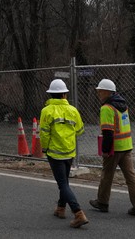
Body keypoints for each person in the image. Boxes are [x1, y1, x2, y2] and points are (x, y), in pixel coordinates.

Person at [89, 79, 135, 218]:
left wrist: (105, 150)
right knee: (131, 178)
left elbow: (108, 132)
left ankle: (102, 202)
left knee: (107, 176)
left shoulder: (107, 108)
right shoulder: (123, 105)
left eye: (100, 91)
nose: (98, 93)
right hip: (126, 146)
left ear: (107, 92)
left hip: (114, 148)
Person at [39, 78, 88, 228]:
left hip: (55, 153)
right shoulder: (73, 110)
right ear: (64, 94)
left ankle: (78, 213)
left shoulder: (46, 111)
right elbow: (80, 130)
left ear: (51, 95)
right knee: (64, 182)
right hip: (70, 152)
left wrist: (44, 148)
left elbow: (44, 133)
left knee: (62, 184)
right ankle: (60, 208)